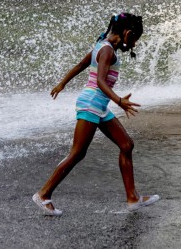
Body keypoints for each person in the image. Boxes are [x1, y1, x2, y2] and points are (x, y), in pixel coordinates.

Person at [33, 13, 160, 216]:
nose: (135, 44)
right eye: (135, 39)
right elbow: (100, 81)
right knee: (77, 153)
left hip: (99, 106)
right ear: (127, 33)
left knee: (127, 145)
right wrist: (119, 101)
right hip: (91, 104)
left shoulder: (102, 45)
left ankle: (133, 198)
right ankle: (43, 194)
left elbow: (81, 65)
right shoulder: (107, 51)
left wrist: (62, 83)